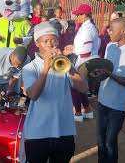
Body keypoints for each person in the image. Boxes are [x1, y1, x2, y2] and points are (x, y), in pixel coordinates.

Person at [21, 22, 88, 163]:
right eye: (46, 41)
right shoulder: (29, 68)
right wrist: (46, 68)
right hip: (38, 133)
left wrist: (69, 67)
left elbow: (83, 88)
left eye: (54, 40)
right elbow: (33, 95)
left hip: (64, 131)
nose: (51, 45)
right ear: (37, 43)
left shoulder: (64, 64)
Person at [94, 17, 125, 163]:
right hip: (103, 101)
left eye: (112, 29)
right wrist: (98, 74)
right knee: (101, 140)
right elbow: (107, 70)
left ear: (124, 31)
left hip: (118, 106)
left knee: (110, 141)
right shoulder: (110, 46)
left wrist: (110, 75)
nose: (109, 31)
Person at [64, 4, 99, 122]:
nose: (76, 16)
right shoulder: (87, 27)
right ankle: (88, 111)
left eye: (78, 14)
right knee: (81, 87)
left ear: (85, 15)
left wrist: (72, 50)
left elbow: (87, 49)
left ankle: (78, 114)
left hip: (85, 61)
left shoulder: (88, 28)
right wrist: (73, 46)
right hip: (85, 60)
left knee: (75, 86)